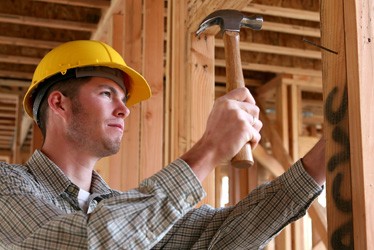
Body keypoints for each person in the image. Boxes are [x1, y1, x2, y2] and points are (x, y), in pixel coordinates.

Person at [0, 40, 325, 249]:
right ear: (59, 103)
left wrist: (326, 155)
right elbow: (88, 242)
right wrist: (209, 149)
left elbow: (218, 235)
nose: (124, 109)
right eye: (105, 93)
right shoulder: (7, 186)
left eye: (124, 98)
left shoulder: (120, 208)